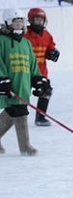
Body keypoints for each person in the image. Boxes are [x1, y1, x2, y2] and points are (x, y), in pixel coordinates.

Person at [0, 9, 49, 156]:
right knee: (18, 111)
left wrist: (39, 80)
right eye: (15, 22)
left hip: (23, 84)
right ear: (8, 23)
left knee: (14, 111)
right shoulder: (1, 41)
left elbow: (33, 65)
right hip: (9, 84)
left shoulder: (26, 43)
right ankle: (25, 146)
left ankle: (24, 146)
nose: (18, 24)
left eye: (21, 21)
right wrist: (2, 80)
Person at [24, 8, 59, 127]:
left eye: (41, 20)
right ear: (30, 20)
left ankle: (40, 117)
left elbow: (50, 49)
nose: (39, 22)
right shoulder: (25, 35)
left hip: (40, 72)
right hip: (24, 72)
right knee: (20, 96)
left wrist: (53, 53)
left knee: (47, 90)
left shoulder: (47, 35)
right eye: (36, 19)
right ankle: (13, 118)